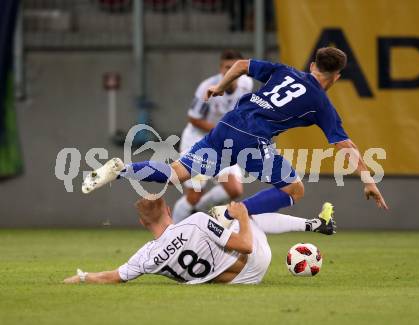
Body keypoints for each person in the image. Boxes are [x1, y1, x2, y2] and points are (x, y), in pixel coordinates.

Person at [82, 47, 388, 227]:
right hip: (253, 139)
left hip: (227, 125)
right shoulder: (322, 103)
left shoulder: (285, 71)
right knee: (294, 189)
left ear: (311, 66)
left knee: (177, 172)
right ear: (335, 77)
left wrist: (218, 88)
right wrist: (368, 180)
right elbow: (344, 145)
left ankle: (120, 170)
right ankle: (227, 215)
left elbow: (242, 66)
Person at [63, 198, 335, 285]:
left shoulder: (146, 256)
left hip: (232, 283)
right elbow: (246, 246)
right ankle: (315, 224)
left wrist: (83, 277)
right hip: (251, 265)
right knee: (247, 213)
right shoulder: (197, 222)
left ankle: (315, 224)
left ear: (142, 223)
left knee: (228, 217)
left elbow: (114, 276)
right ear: (169, 210)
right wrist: (240, 217)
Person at [173, 49, 253, 223]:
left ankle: (199, 211)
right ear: (220, 68)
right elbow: (193, 118)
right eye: (226, 67)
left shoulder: (247, 84)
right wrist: (222, 129)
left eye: (234, 67)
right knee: (194, 195)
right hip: (196, 141)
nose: (229, 71)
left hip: (222, 143)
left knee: (235, 190)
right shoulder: (207, 87)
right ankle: (170, 233)